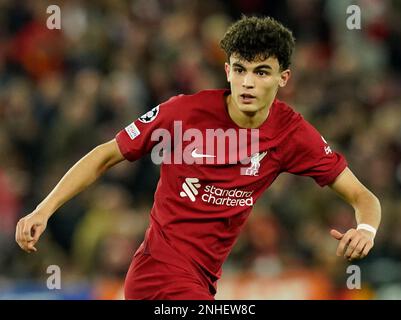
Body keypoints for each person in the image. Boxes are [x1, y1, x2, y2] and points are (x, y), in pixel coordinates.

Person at [15, 16, 381, 300]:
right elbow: (104, 155)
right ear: (227, 71)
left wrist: (365, 229)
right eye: (239, 69)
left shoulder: (291, 133)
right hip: (158, 275)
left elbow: (363, 196)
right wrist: (43, 210)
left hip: (202, 282)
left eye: (261, 72)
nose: (248, 83)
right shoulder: (183, 113)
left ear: (283, 78)